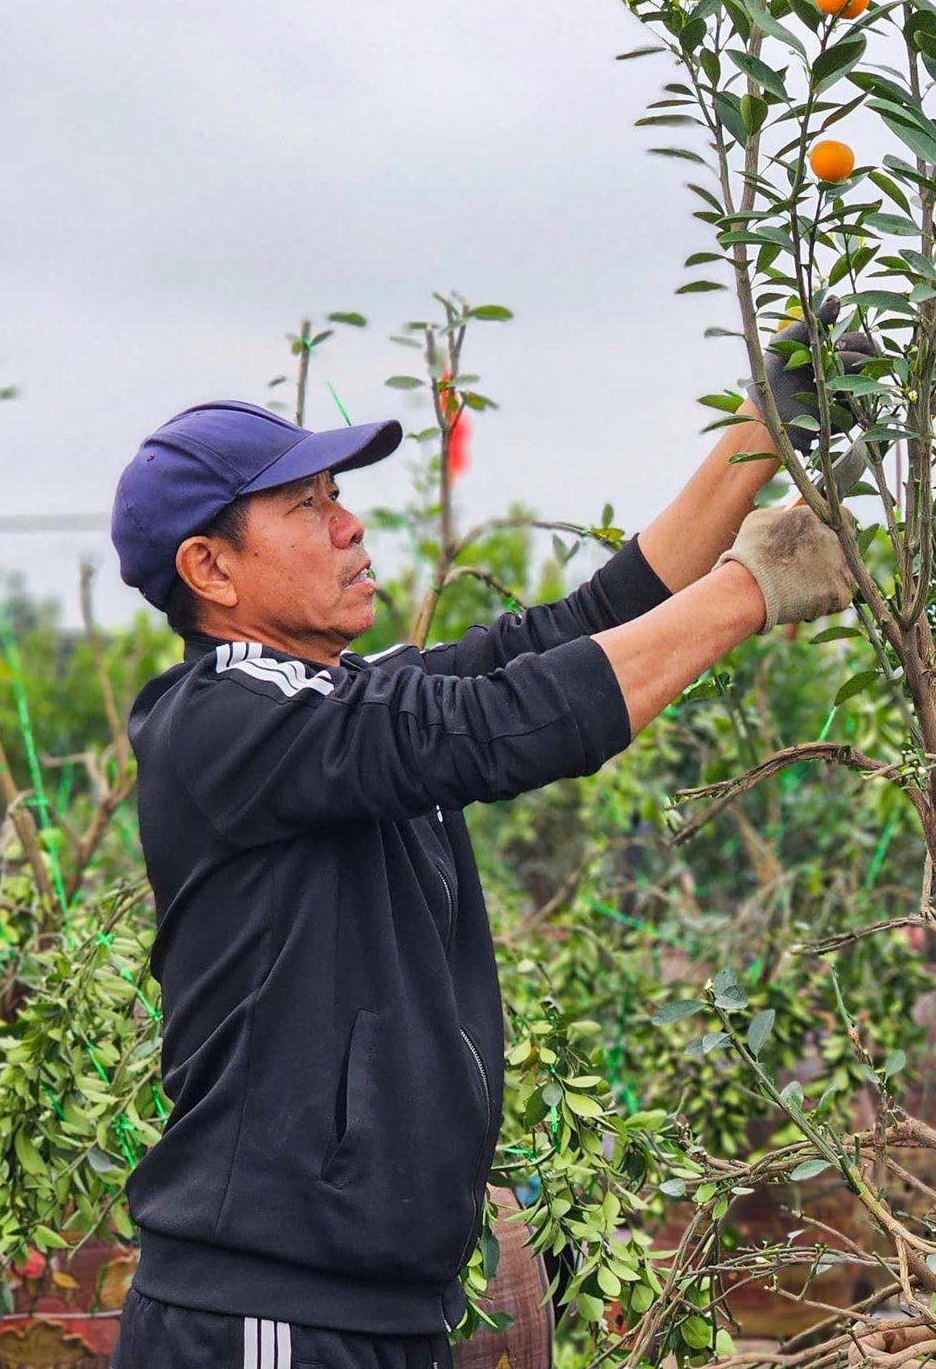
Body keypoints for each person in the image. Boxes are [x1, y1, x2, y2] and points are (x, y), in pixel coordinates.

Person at [106, 398, 853, 1369]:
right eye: (305, 506)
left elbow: (584, 625)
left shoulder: (340, 704)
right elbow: (495, 724)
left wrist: (765, 422)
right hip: (268, 1310)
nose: (351, 523)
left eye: (340, 494)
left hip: (372, 1308)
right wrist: (748, 592)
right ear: (210, 568)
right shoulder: (222, 718)